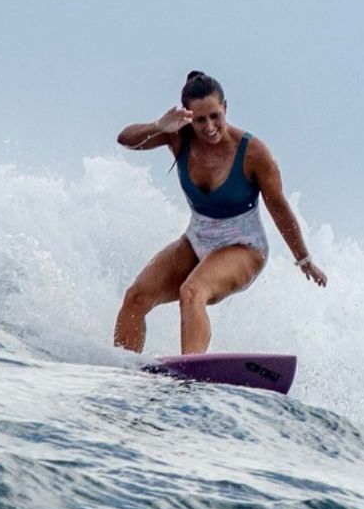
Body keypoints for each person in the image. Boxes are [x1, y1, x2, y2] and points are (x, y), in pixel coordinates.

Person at [112, 71, 327, 354]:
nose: (209, 126)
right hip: (197, 240)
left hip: (244, 247)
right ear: (188, 116)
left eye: (215, 115)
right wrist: (160, 125)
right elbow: (125, 139)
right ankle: (121, 370)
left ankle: (191, 372)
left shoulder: (254, 153)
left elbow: (279, 208)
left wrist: (304, 259)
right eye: (200, 119)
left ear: (225, 107)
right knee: (136, 297)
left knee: (192, 292)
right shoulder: (178, 137)